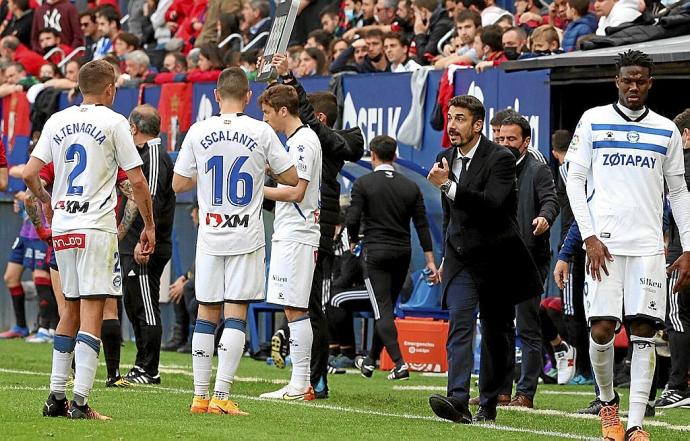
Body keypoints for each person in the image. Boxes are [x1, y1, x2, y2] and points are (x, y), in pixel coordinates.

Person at [565, 50, 690, 440]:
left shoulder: (666, 129)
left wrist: (687, 247)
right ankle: (608, 404)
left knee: (644, 331)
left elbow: (680, 192)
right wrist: (589, 236)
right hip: (604, 246)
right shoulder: (593, 120)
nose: (633, 86)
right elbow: (574, 181)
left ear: (650, 83)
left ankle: (635, 424)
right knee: (602, 329)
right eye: (627, 80)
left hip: (649, 248)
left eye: (640, 80)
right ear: (616, 82)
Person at [24, 59, 155, 420]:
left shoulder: (57, 120)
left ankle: (55, 397)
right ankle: (80, 402)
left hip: (64, 226)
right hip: (95, 226)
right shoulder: (114, 123)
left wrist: (49, 202)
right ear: (110, 88)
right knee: (93, 312)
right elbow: (138, 182)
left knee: (71, 310)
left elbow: (31, 174)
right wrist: (149, 225)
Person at [172, 67, 298, 415]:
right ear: (247, 97)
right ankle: (221, 396)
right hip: (246, 233)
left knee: (206, 314)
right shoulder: (260, 131)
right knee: (236, 314)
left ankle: (199, 396)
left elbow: (178, 184)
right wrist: (262, 169)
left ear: (215, 95)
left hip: (210, 233)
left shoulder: (198, 130)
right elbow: (290, 177)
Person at [426, 95, 543, 424]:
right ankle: (458, 400)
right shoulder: (444, 157)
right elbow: (452, 213)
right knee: (460, 324)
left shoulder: (500, 158)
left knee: (496, 331)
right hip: (461, 256)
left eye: (460, 119)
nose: (452, 125)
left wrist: (448, 184)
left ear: (478, 125)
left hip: (496, 257)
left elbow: (491, 204)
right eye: (450, 118)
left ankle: (489, 402)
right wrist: (448, 252)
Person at [271, 53, 365, 398]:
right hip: (299, 225)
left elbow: (317, 126)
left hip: (314, 231)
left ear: (318, 117)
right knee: (301, 302)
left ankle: (315, 377)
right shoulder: (311, 142)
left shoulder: (329, 141)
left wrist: (292, 80)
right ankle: (305, 375)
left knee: (312, 305)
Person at [24, 161, 137, 388]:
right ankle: (111, 376)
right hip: (98, 236)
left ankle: (68, 380)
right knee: (106, 309)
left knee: (68, 310)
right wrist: (120, 233)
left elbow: (30, 195)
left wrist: (45, 230)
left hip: (64, 237)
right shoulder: (107, 151)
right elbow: (133, 192)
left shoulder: (57, 155)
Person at [348, 135, 438, 380]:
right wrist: (430, 259)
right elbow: (422, 225)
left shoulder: (363, 183)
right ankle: (369, 360)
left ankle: (399, 364)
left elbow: (352, 218)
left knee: (382, 309)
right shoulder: (410, 186)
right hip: (401, 253)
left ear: (373, 156)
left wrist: (353, 240)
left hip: (375, 252)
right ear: (395, 156)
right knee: (385, 306)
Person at [259, 84, 322, 401]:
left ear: (283, 110)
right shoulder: (297, 141)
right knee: (292, 305)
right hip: (290, 230)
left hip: (298, 231)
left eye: (268, 113)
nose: (266, 119)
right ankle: (300, 382)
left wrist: (258, 191)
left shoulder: (303, 142)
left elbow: (297, 191)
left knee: (296, 307)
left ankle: (301, 383)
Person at [495, 114, 559, 408]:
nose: (505, 144)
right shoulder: (492, 167)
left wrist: (545, 218)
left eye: (511, 139)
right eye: (500, 139)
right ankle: (501, 391)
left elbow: (551, 200)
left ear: (526, 142)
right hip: (498, 257)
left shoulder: (538, 170)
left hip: (530, 259)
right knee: (500, 327)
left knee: (527, 326)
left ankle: (526, 393)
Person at [119, 105, 176, 385]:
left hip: (146, 245)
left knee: (146, 306)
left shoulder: (153, 155)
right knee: (134, 304)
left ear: (134, 128)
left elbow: (149, 198)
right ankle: (141, 364)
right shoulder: (142, 154)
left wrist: (144, 237)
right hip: (134, 243)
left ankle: (148, 368)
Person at [655, 109, 690, 409]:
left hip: (683, 253)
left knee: (677, 315)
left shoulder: (683, 167)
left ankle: (678, 385)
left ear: (686, 136)